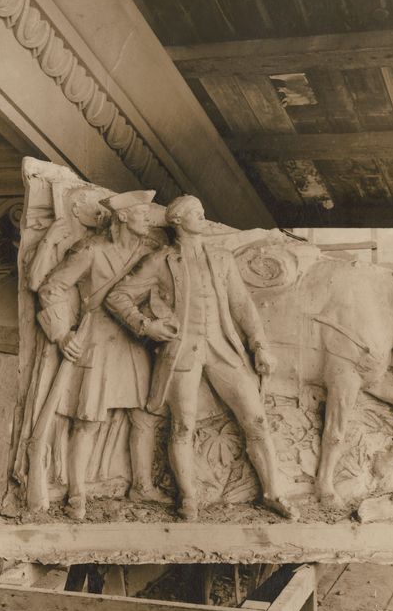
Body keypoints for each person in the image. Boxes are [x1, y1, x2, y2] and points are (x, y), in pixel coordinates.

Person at [105, 195, 298, 522]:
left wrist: (259, 344)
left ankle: (272, 492)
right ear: (177, 221)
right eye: (195, 213)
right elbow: (117, 296)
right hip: (182, 352)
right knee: (182, 426)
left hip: (222, 347)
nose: (203, 216)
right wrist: (146, 326)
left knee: (257, 419)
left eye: (202, 211)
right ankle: (188, 498)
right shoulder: (161, 260)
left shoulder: (221, 259)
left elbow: (241, 306)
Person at [34, 190, 163, 519]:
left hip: (136, 340)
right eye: (141, 213)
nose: (148, 218)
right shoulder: (91, 250)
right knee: (88, 420)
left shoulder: (150, 252)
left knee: (144, 417)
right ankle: (77, 492)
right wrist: (62, 333)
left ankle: (142, 486)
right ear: (121, 216)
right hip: (98, 340)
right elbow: (52, 287)